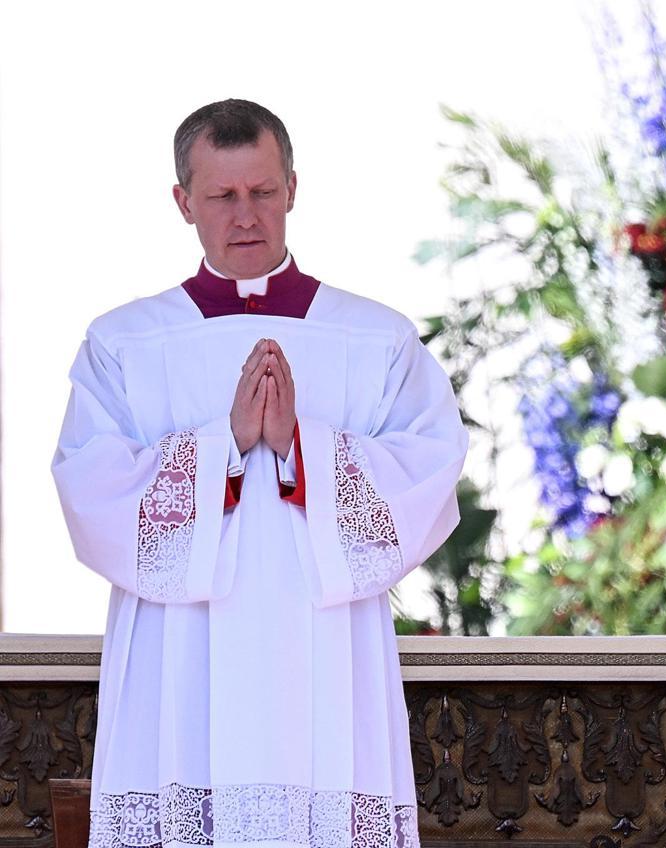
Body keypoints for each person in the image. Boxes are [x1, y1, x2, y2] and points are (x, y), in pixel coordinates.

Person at [52, 99, 467, 847]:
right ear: (184, 202)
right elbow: (91, 493)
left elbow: (428, 472)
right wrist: (226, 446)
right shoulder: (125, 344)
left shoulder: (373, 339)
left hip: (326, 653)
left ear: (293, 189)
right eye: (222, 196)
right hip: (180, 660)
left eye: (263, 192)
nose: (246, 216)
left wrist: (305, 451)